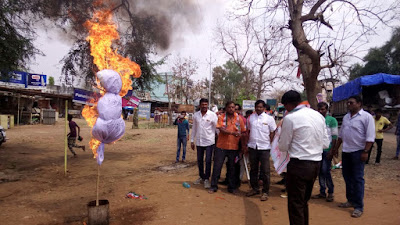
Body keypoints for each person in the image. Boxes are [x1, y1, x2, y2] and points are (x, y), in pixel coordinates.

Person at [278, 90, 329, 225]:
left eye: (285, 107)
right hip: (315, 164)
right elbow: (325, 143)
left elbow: (283, 146)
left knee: (295, 203)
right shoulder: (318, 116)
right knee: (303, 201)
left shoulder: (290, 118)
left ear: (289, 104)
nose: (286, 110)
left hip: (299, 165)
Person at [332, 95, 375, 218]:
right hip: (346, 152)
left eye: (351, 103)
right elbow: (341, 135)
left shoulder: (366, 117)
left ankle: (358, 206)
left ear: (359, 104)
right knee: (347, 177)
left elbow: (370, 137)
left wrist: (365, 151)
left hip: (358, 152)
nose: (348, 105)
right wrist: (336, 148)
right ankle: (350, 200)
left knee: (357, 179)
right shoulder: (346, 117)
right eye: (348, 103)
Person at [209, 101, 246, 194]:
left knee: (232, 168)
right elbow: (220, 128)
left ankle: (231, 187)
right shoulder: (221, 117)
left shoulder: (239, 118)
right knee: (217, 167)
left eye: (233, 107)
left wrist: (243, 143)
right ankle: (213, 186)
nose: (231, 109)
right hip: (221, 146)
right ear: (226, 108)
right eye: (229, 107)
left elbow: (243, 131)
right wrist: (232, 133)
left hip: (233, 147)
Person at [246, 100, 276, 201]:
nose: (258, 108)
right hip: (253, 147)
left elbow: (272, 132)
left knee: (265, 170)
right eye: (257, 107)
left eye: (260, 107)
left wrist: (269, 142)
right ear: (255, 107)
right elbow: (248, 131)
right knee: (253, 169)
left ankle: (265, 192)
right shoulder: (250, 118)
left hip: (264, 148)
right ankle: (255, 189)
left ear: (264, 108)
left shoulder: (269, 119)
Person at [312, 102, 338, 202]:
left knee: (325, 171)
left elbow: (335, 136)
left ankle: (330, 192)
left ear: (326, 110)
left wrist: (333, 149)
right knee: (319, 171)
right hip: (317, 150)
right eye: (319, 109)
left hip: (328, 149)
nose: (320, 111)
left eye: (323, 109)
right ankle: (322, 192)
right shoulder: (315, 120)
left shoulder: (331, 120)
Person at [191, 98, 218, 189]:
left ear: (208, 105)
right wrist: (192, 140)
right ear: (200, 105)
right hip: (199, 141)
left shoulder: (212, 115)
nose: (204, 106)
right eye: (202, 104)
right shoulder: (196, 115)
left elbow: (217, 128)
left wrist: (220, 139)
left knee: (208, 160)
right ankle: (201, 177)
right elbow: (194, 128)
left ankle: (207, 179)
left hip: (209, 141)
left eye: (206, 104)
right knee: (199, 160)